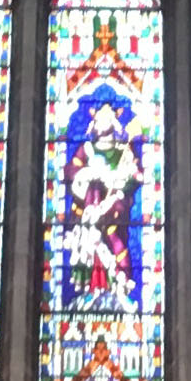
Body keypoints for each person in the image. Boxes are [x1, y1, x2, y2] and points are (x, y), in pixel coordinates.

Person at [64, 100, 138, 309]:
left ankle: (120, 287)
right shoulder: (86, 149)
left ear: (114, 122)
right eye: (97, 119)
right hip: (90, 206)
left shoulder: (124, 150)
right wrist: (88, 174)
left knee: (116, 240)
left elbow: (135, 175)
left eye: (105, 119)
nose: (100, 123)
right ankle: (93, 288)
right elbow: (70, 172)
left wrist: (121, 184)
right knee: (92, 243)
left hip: (114, 207)